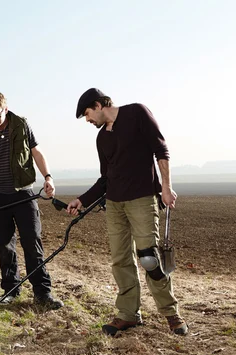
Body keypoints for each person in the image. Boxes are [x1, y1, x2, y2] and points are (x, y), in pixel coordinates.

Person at [67, 88, 188, 336]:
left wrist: (166, 187)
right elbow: (105, 179)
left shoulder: (137, 113)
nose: (88, 120)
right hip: (114, 205)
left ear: (99, 105)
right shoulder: (102, 138)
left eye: (88, 114)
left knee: (150, 258)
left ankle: (171, 314)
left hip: (142, 200)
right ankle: (128, 315)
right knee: (121, 261)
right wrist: (82, 199)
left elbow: (161, 150)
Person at [0, 91, 63, 309]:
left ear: (5, 109)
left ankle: (43, 294)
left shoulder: (21, 125)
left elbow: (36, 152)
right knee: (4, 247)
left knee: (32, 243)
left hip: (23, 195)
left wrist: (48, 177)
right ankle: (10, 291)